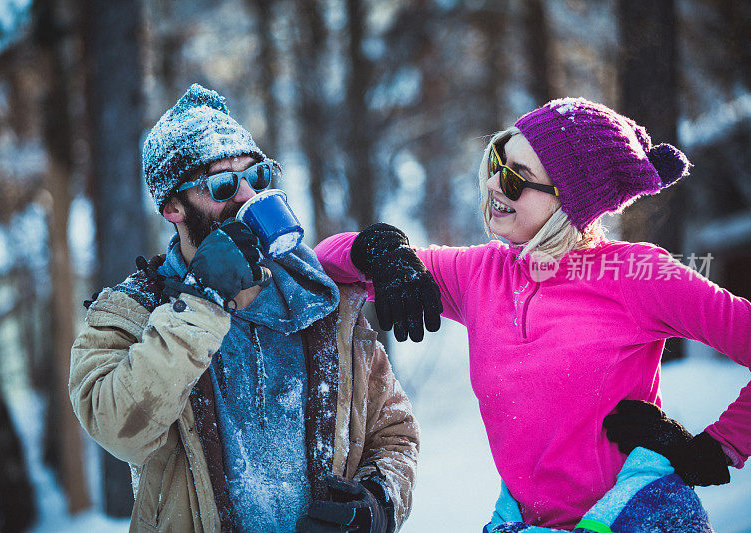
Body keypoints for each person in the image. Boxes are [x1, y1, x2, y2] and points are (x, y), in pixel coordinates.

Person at [314, 98, 751, 531]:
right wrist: (380, 250)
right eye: (496, 166)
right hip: (525, 523)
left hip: (635, 517)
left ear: (570, 201)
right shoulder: (479, 274)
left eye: (516, 179)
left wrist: (717, 447)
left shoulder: (638, 273)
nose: (493, 186)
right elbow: (325, 265)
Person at [68, 83, 419, 533]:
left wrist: (377, 504)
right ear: (172, 206)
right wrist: (202, 301)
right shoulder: (130, 312)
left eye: (257, 177)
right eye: (222, 184)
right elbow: (117, 427)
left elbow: (395, 433)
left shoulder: (320, 297)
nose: (247, 196)